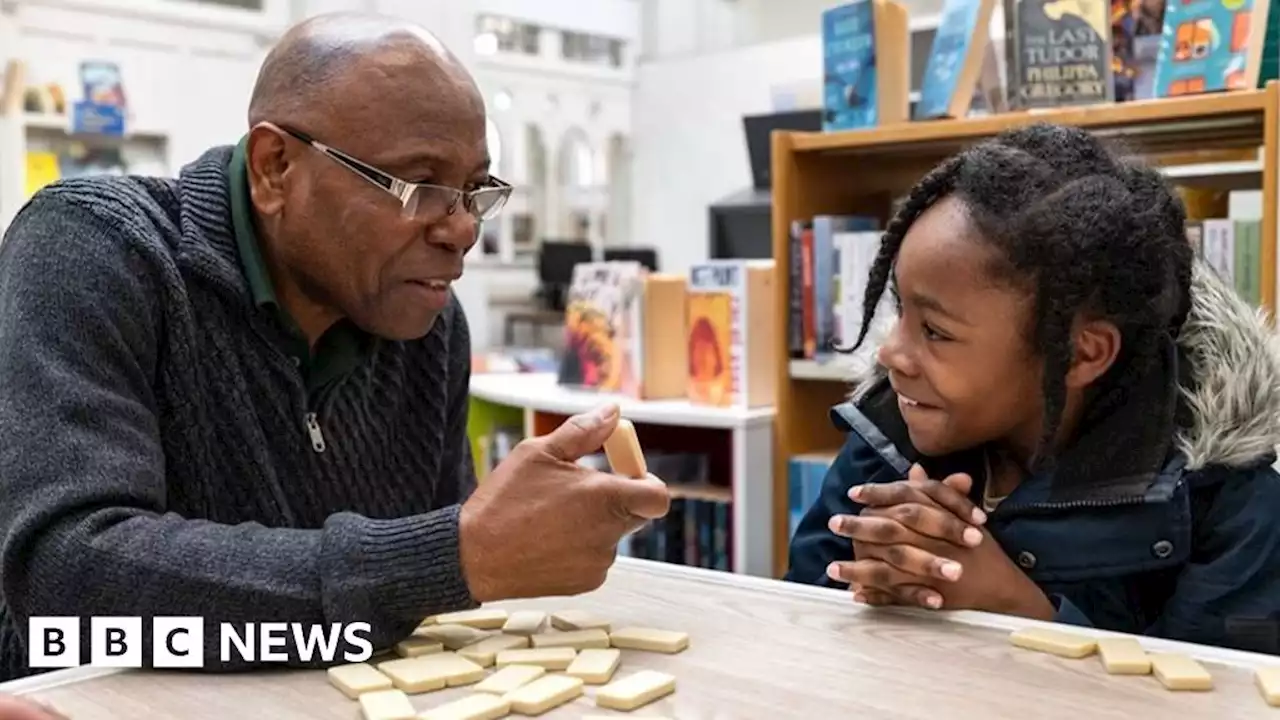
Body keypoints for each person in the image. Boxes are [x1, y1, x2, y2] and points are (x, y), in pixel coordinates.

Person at [0, 12, 669, 681]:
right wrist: (455, 557)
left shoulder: (429, 327)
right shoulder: (95, 250)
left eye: (473, 190)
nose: (463, 229)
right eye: (421, 185)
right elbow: (64, 582)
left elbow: (422, 603)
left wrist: (478, 552)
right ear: (274, 168)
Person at [786, 123, 1280, 655]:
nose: (890, 354)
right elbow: (798, 632)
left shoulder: (1231, 508)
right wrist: (861, 585)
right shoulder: (886, 442)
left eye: (936, 331)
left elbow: (1225, 699)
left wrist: (1014, 609)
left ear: (1083, 353)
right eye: (901, 310)